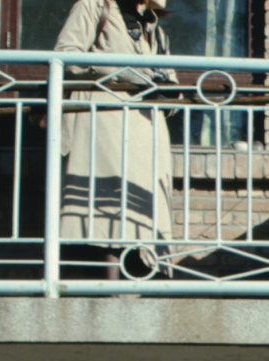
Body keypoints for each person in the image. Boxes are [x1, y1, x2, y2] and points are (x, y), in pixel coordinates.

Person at [53, 0, 177, 278]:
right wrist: (119, 71)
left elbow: (171, 79)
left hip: (147, 132)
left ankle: (140, 287)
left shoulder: (156, 29)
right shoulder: (96, 6)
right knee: (107, 211)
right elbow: (65, 55)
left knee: (142, 214)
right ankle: (109, 289)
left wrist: (168, 89)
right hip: (105, 123)